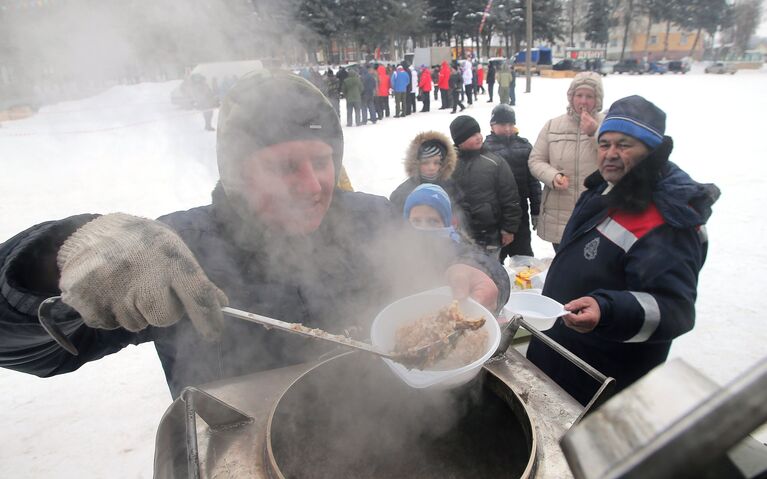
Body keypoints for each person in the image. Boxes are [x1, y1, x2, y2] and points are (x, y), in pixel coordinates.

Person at [0, 71, 510, 399]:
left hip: (379, 445)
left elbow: (453, 254)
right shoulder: (178, 250)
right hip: (238, 477)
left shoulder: (371, 219)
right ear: (240, 173)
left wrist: (478, 269)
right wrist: (62, 254)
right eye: (286, 167)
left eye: (321, 162)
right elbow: (36, 351)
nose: (313, 186)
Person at [526, 95, 720, 405]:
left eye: (624, 145)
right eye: (605, 144)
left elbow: (675, 310)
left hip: (599, 378)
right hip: (561, 351)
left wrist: (607, 310)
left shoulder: (669, 220)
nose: (610, 154)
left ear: (651, 151)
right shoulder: (604, 188)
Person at [528, 71, 604, 252]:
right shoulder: (553, 126)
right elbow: (535, 160)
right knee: (564, 265)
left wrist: (595, 132)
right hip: (560, 213)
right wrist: (553, 176)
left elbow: (617, 158)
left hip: (595, 211)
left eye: (589, 96)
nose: (583, 101)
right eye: (579, 95)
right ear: (571, 97)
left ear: (598, 99)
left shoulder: (608, 124)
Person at [449, 115, 522, 257]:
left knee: (492, 272)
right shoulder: (449, 164)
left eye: (478, 132)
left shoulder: (494, 162)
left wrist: (508, 229)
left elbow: (510, 197)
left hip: (489, 234)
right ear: (459, 141)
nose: (478, 137)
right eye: (471, 135)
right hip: (459, 233)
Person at [483, 105, 541, 260]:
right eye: (502, 125)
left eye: (510, 124)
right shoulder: (485, 149)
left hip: (520, 212)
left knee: (524, 258)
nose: (507, 129)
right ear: (492, 126)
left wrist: (537, 209)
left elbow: (533, 181)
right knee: (493, 262)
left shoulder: (524, 146)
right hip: (494, 216)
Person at [389, 131, 457, 215]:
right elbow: (395, 219)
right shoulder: (402, 193)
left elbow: (462, 207)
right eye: (425, 163)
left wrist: (457, 219)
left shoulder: (450, 186)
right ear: (416, 164)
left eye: (437, 163)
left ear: (443, 164)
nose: (432, 168)